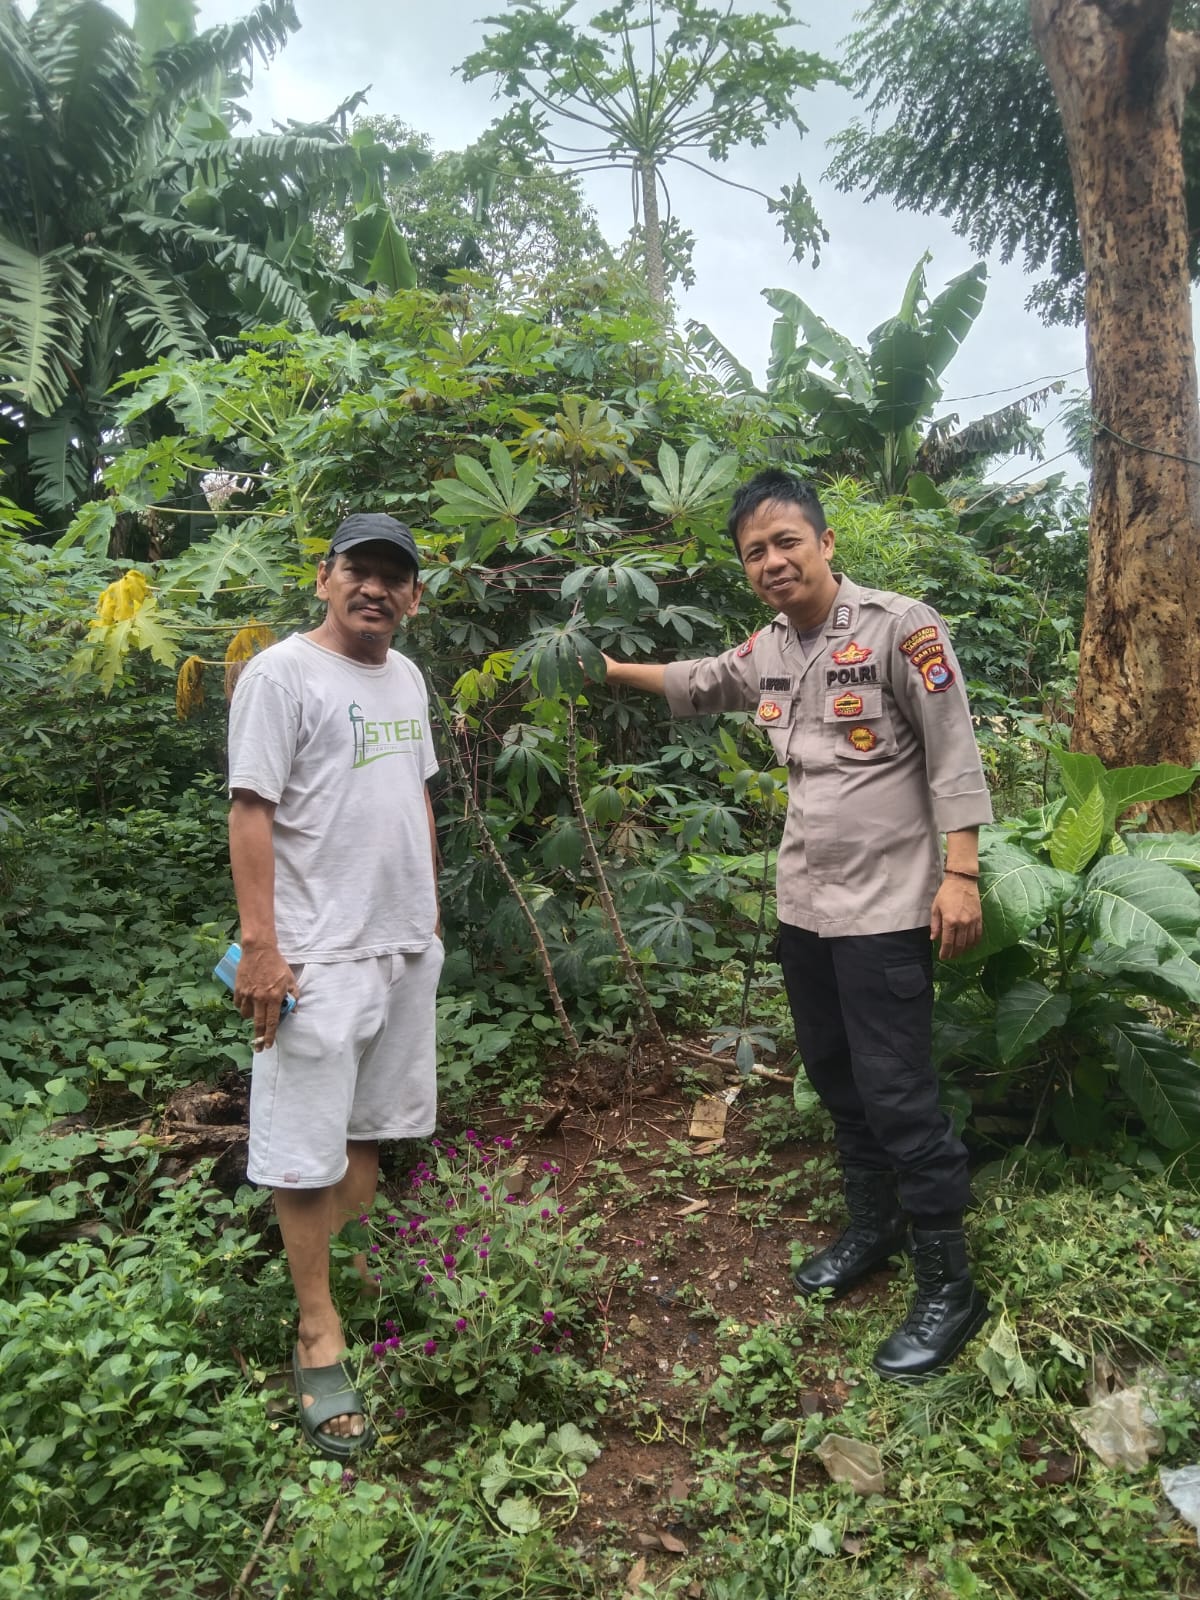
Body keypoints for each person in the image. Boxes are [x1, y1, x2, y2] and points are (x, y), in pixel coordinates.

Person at [601, 469, 992, 1379]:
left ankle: (951, 1283)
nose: (774, 562)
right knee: (833, 1073)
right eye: (755, 553)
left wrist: (962, 873)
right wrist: (611, 669)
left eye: (787, 543)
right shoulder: (772, 648)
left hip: (890, 906)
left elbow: (954, 749)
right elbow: (702, 681)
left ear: (822, 543)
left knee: (897, 1088)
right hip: (805, 906)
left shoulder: (902, 627)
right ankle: (875, 1227)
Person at [226, 512, 443, 1455]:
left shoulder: (407, 675)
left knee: (368, 1137)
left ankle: (333, 1275)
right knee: (303, 1152)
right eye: (360, 570)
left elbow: (417, 794)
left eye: (394, 578)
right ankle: (317, 1330)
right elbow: (251, 809)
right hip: (317, 956)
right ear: (325, 577)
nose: (376, 589)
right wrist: (262, 947)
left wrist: (428, 918)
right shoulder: (282, 674)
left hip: (401, 946)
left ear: (414, 597)